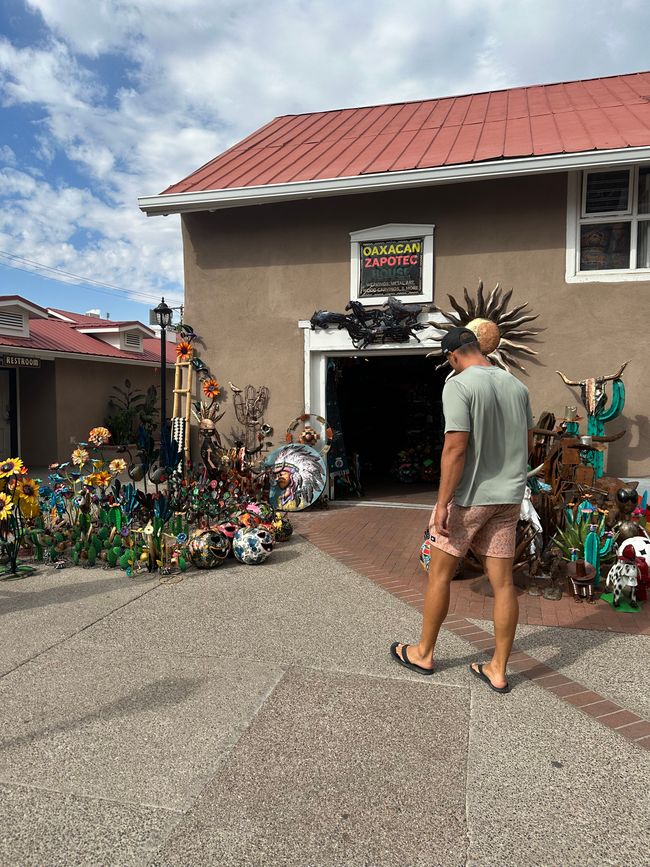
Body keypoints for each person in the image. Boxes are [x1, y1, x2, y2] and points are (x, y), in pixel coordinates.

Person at [390, 326, 534, 693]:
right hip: (509, 496)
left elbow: (455, 446)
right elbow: (528, 441)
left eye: (449, 360)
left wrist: (441, 503)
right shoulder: (517, 387)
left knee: (439, 573)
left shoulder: (458, 384)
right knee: (502, 583)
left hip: (471, 496)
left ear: (453, 356)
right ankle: (498, 669)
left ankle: (423, 653)